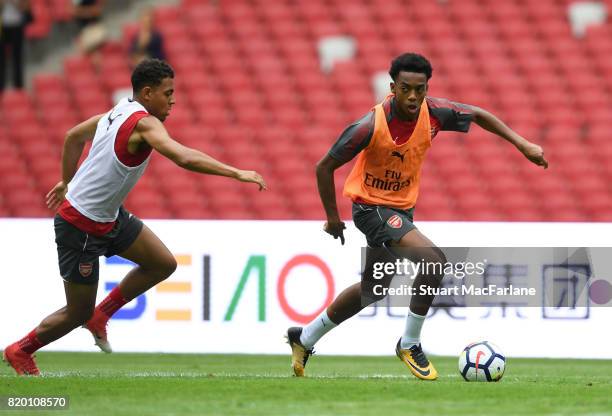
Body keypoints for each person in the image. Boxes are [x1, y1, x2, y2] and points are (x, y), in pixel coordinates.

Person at [286, 52, 547, 380]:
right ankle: (409, 343)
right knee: (434, 261)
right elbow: (323, 167)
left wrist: (522, 144)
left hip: (400, 208)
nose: (412, 96)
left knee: (373, 288)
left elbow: (478, 114)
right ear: (393, 87)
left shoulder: (435, 112)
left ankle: (304, 337)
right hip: (371, 208)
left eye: (419, 89)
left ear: (426, 88)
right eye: (406, 88)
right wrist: (333, 218)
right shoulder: (369, 125)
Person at [2, 58, 267, 375]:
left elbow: (73, 136)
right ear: (147, 92)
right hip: (80, 224)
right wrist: (236, 172)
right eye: (167, 93)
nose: (173, 100)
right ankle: (21, 350)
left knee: (163, 263)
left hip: (109, 218)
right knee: (76, 311)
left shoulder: (117, 111)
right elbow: (181, 156)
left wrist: (66, 179)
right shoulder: (145, 123)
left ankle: (101, 316)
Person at [0, 0, 31, 91]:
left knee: (17, 58)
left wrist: (14, 2)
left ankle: (18, 86)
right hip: (2, 26)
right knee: (1, 59)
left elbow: (26, 8)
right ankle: (1, 86)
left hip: (17, 26)